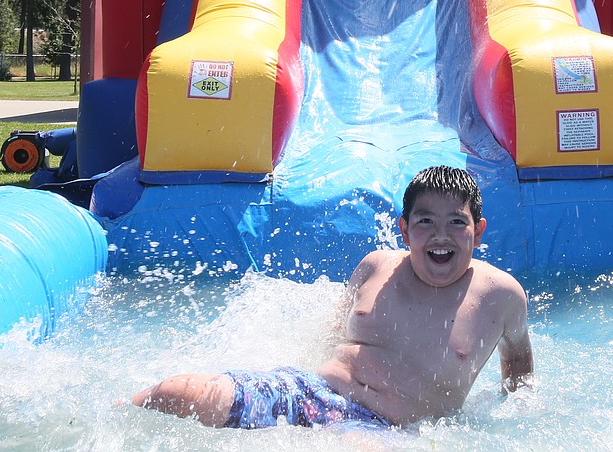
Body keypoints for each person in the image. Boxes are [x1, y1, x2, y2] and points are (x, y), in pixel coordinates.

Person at [130, 165, 534, 430]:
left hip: (383, 429)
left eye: (456, 223)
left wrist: (513, 414)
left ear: (478, 231)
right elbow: (329, 332)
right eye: (425, 221)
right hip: (308, 390)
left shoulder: (501, 297)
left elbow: (517, 360)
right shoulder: (376, 266)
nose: (440, 235)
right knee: (178, 392)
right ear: (405, 231)